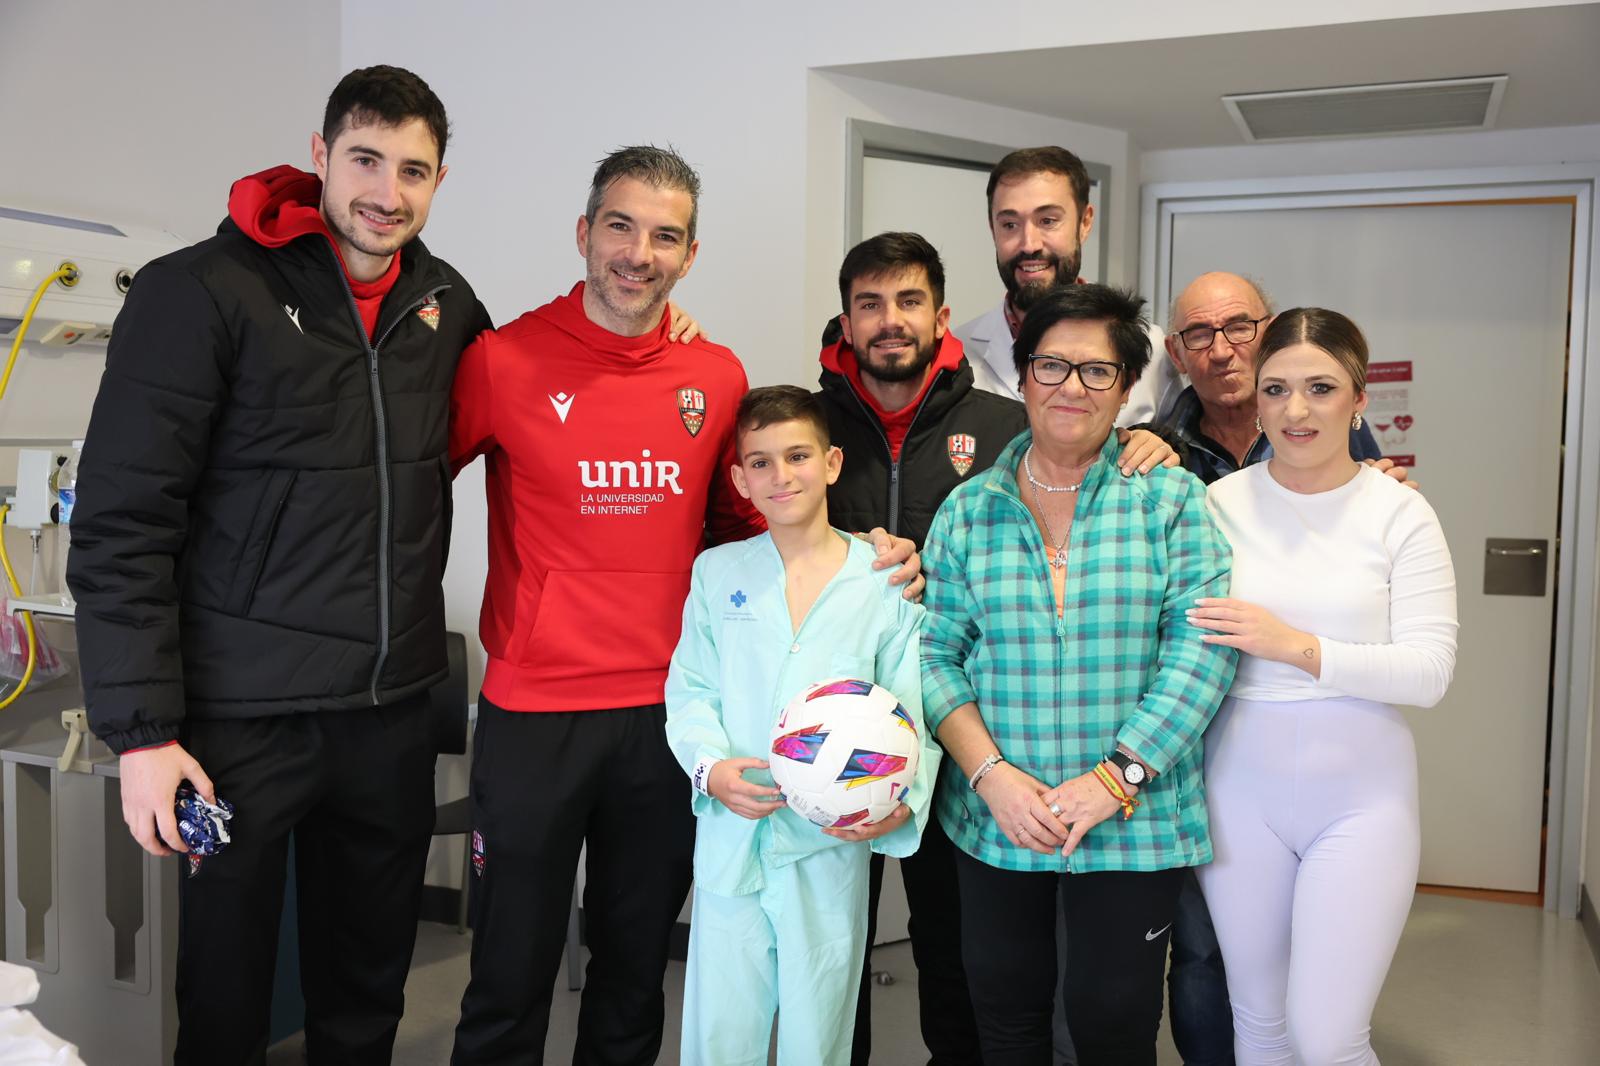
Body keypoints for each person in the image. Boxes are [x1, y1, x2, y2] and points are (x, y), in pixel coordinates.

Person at [447, 146, 921, 1065]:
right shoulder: (503, 361)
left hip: (663, 721)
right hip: (533, 713)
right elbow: (406, 491)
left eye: (665, 236)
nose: (639, 253)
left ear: (689, 255)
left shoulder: (714, 377)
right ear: (584, 234)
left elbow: (757, 518)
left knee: (635, 973)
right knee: (509, 970)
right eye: (620, 227)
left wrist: (868, 548)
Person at [67, 66, 490, 1065]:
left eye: (414, 169)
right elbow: (123, 522)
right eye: (366, 160)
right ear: (320, 155)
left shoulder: (443, 304)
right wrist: (142, 735)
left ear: (438, 179)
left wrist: (653, 336)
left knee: (364, 991)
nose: (388, 192)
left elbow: (532, 397)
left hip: (385, 713)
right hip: (238, 725)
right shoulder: (202, 291)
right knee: (225, 993)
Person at [817, 231, 1176, 1065]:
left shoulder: (1006, 423)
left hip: (956, 747)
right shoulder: (812, 420)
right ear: (845, 319)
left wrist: (1147, 445)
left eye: (908, 301)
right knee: (835, 952)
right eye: (869, 303)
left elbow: (1078, 443)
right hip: (842, 729)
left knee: (964, 971)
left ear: (941, 316)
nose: (889, 321)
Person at [920, 283, 1237, 1065]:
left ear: (1128, 388)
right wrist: (990, 775)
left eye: (1097, 372)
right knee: (1007, 1023)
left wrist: (1116, 776)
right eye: (1051, 365)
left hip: (1135, 821)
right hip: (999, 820)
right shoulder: (967, 512)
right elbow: (932, 657)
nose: (1071, 387)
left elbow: (1202, 651)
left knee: (1113, 1028)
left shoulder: (1170, 500)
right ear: (1022, 376)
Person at [1155, 269, 1417, 1066]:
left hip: (1354, 778)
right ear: (1177, 353)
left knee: (1328, 1025)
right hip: (1221, 759)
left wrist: (1293, 643)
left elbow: (1421, 656)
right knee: (1217, 972)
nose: (1221, 347)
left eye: (1239, 327)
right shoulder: (1160, 455)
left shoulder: (1373, 482)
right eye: (1200, 334)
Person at [664, 385, 941, 1065]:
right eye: (760, 462)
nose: (780, 475)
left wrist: (900, 796)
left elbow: (913, 711)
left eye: (797, 456)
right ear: (739, 478)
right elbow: (690, 687)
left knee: (820, 1033)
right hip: (735, 837)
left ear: (832, 463)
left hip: (827, 848)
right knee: (719, 1032)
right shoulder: (717, 573)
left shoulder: (883, 582)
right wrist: (710, 768)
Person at [954, 146, 1181, 424]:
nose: (1029, 244)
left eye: (1047, 221)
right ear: (993, 229)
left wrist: (1157, 443)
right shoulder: (957, 354)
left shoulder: (1150, 349)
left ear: (1085, 222)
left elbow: (1178, 451)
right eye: (1010, 224)